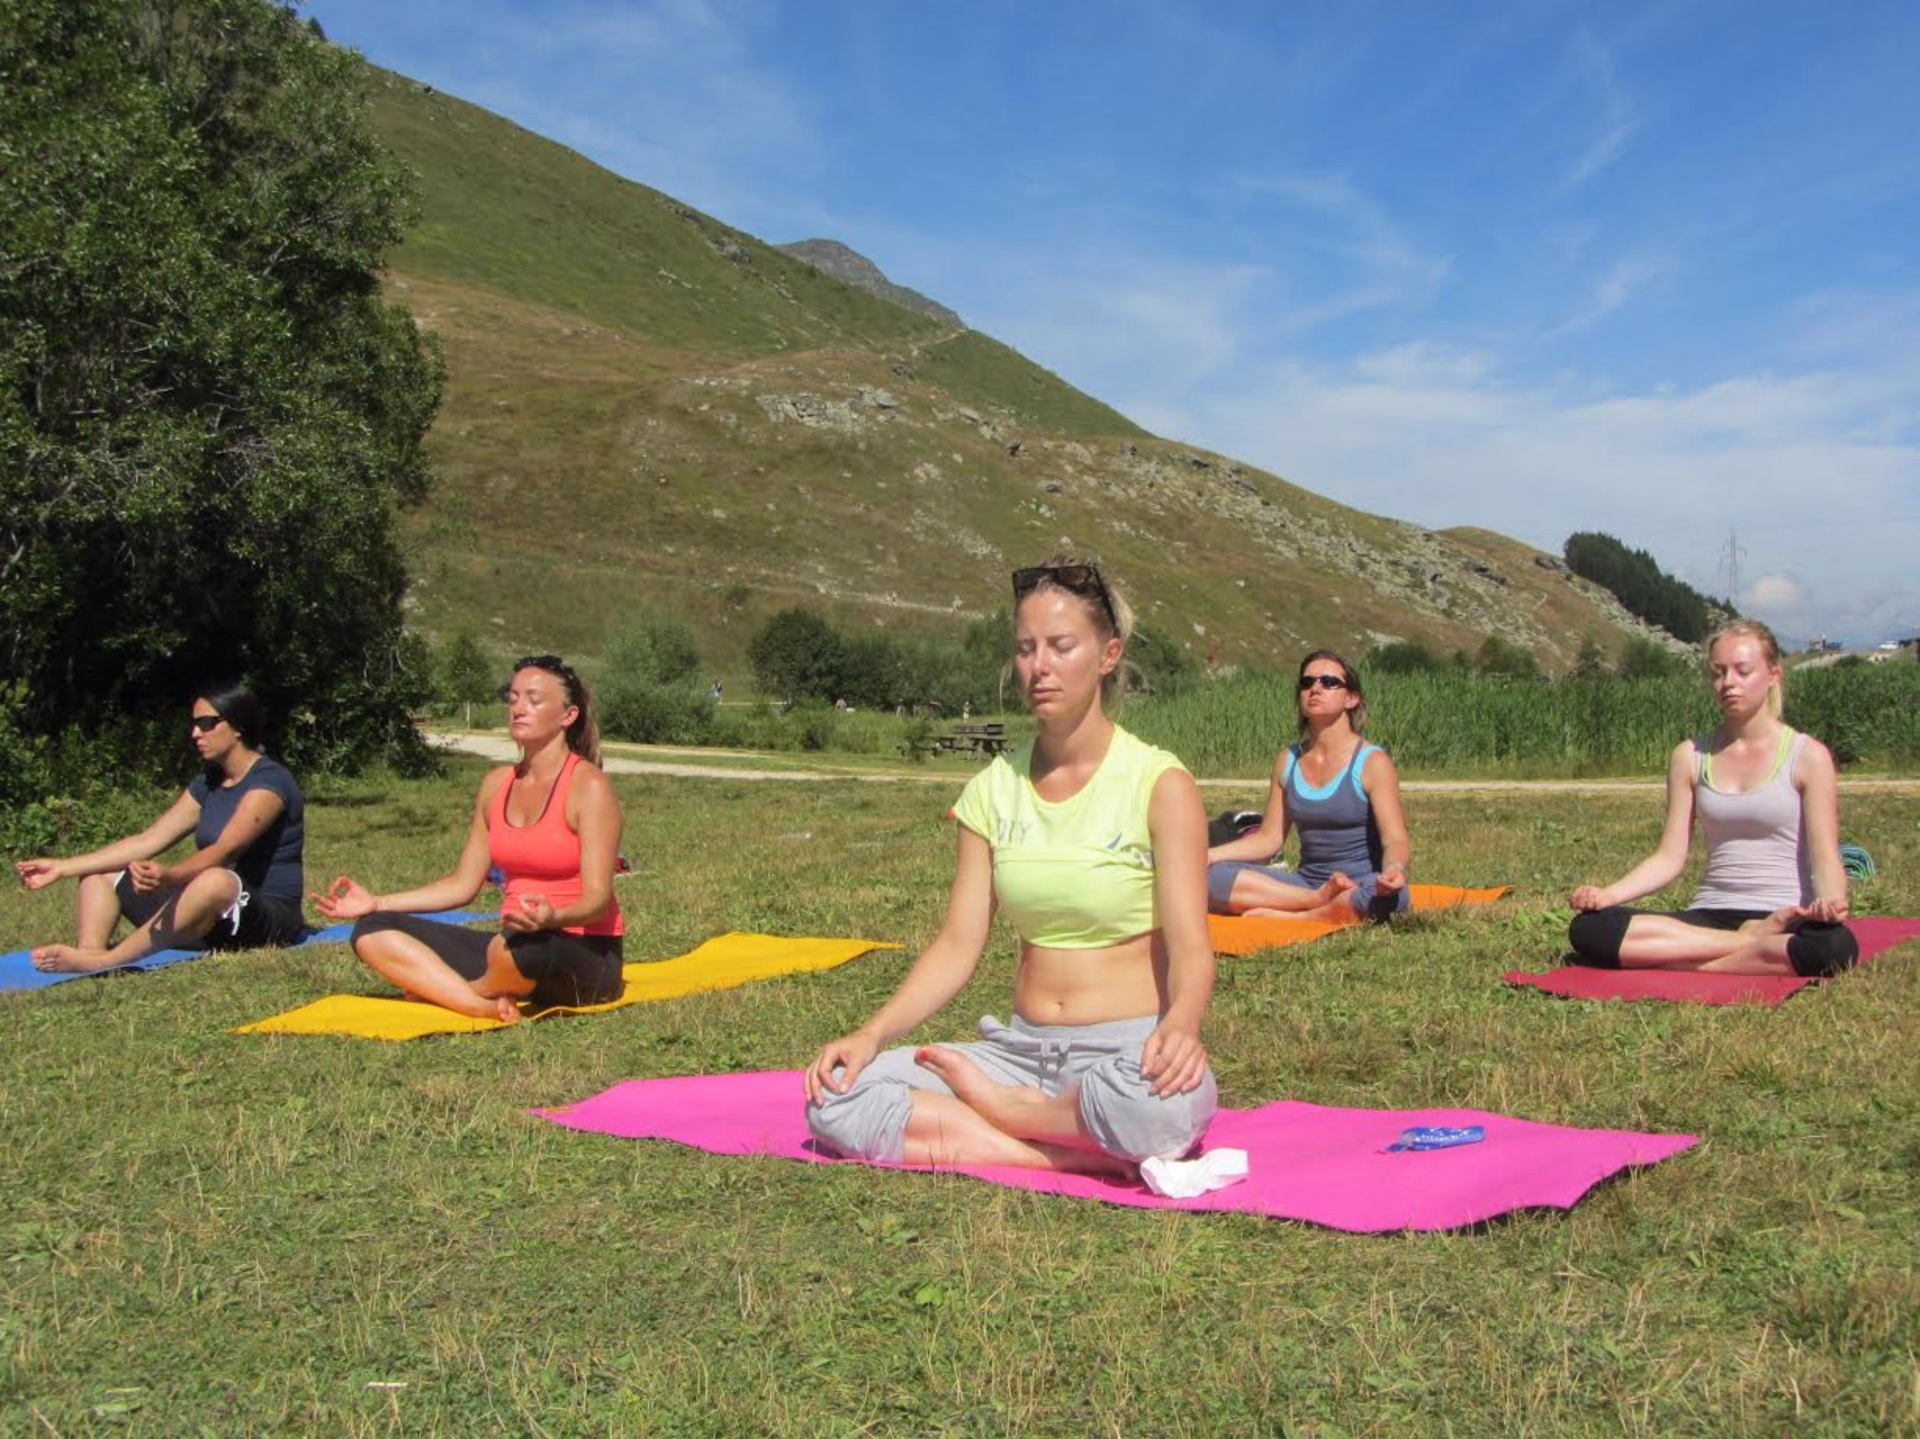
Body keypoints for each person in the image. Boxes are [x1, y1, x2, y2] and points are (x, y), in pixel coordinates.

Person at [805, 558, 1217, 1176]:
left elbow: (1192, 947)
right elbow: (956, 945)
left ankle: (1005, 1114)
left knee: (1160, 1107)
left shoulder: (1160, 784)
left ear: (1108, 655)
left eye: (1060, 646)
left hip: (1123, 1052)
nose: (1039, 666)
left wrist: (1181, 1027)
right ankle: (1053, 1154)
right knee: (836, 1096)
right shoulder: (992, 789)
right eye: (1025, 649)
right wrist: (870, 1034)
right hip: (1019, 1053)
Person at [313, 655, 625, 1021]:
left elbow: (597, 900)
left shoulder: (588, 787)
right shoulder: (496, 786)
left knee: (517, 949)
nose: (518, 708)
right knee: (372, 932)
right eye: (512, 699)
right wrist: (377, 903)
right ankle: (478, 1004)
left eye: (534, 700)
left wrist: (553, 916)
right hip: (510, 946)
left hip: (584, 959)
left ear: (567, 715)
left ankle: (456, 990)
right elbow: (462, 885)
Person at [1567, 620, 1857, 975]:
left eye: (1742, 671)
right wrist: (1608, 896)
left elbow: (1825, 854)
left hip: (1785, 916)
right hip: (1710, 915)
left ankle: (1678, 959)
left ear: (1773, 675)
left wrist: (1829, 902)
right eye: (1718, 673)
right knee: (1590, 928)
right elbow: (1670, 857)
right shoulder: (1690, 755)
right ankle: (1748, 947)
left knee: (1833, 948)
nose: (1728, 683)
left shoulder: (1807, 755)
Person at [18, 683, 306, 972]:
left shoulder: (271, 782)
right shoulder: (209, 782)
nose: (195, 734)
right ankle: (90, 953)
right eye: (194, 724)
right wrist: (62, 867)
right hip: (210, 916)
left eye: (206, 724)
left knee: (215, 880)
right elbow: (149, 840)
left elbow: (224, 850)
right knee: (102, 871)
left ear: (238, 726)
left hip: (266, 920)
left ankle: (108, 960)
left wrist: (170, 875)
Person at [1205, 651, 1411, 921]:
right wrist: (1209, 855)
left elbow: (1395, 839)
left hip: (1361, 884)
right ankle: (1315, 903)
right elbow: (1269, 839)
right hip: (1307, 884)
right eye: (1307, 682)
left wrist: (1393, 869)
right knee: (1207, 877)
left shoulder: (1372, 761)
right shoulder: (1287, 761)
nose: (1315, 688)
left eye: (1328, 682)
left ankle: (1302, 917)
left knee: (1389, 896)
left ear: (1352, 698)